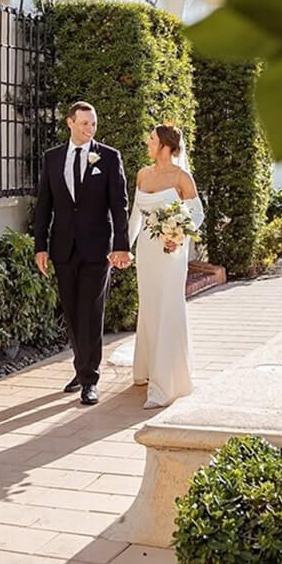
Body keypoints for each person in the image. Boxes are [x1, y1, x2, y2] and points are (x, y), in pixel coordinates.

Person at [34, 101, 131, 406]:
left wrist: (120, 245)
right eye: (85, 123)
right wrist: (41, 246)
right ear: (70, 123)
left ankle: (90, 379)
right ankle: (81, 366)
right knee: (73, 313)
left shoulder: (109, 157)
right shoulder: (52, 159)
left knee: (91, 311)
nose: (90, 128)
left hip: (96, 248)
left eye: (94, 124)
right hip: (63, 247)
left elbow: (119, 204)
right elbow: (44, 205)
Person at [128, 124, 204, 409]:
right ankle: (147, 370)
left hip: (171, 253)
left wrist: (178, 236)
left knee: (169, 307)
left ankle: (167, 384)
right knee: (149, 306)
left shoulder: (182, 178)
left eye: (151, 139)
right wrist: (124, 247)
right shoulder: (143, 174)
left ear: (165, 146)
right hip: (147, 252)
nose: (147, 143)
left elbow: (197, 214)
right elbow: (136, 213)